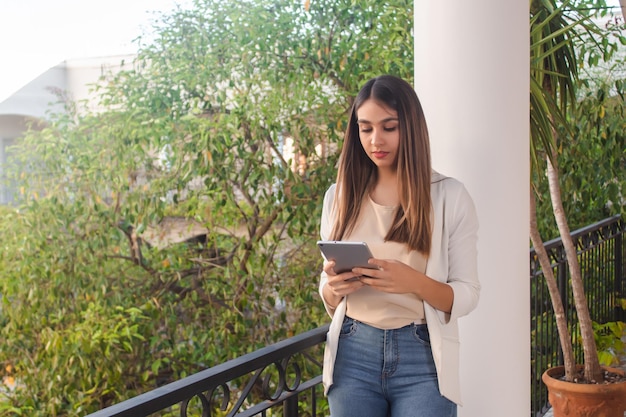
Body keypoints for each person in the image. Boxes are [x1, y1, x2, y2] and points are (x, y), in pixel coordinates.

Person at [318, 75, 480, 417]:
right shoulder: (338, 197)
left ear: (410, 127)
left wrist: (413, 282)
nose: (376, 140)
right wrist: (333, 288)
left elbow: (467, 294)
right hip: (352, 352)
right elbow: (328, 295)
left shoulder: (449, 196)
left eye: (388, 127)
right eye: (365, 128)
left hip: (422, 358)